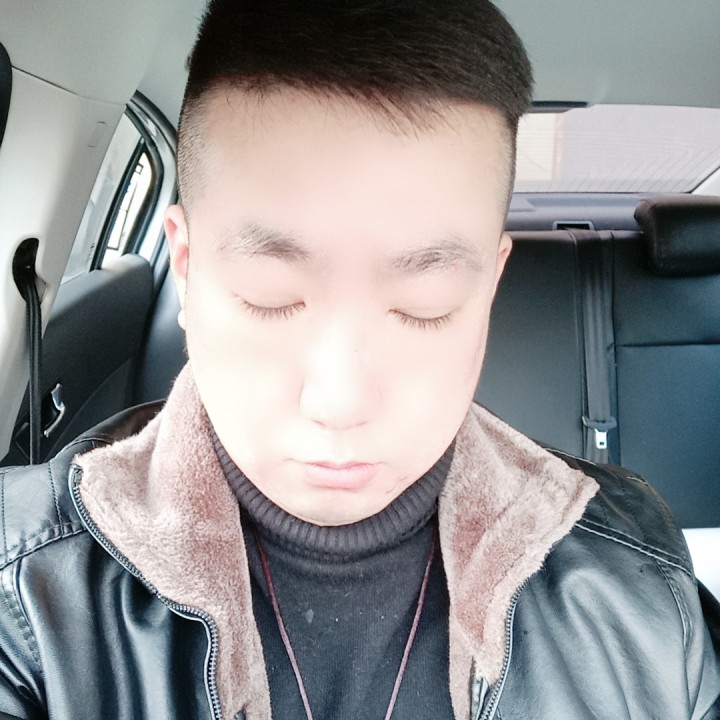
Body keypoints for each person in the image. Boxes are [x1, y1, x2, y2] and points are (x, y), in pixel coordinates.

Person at [1, 0, 719, 718]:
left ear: (489, 287)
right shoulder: (24, 593)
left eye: (425, 304)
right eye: (270, 295)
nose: (339, 402)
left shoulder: (642, 588)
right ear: (186, 270)